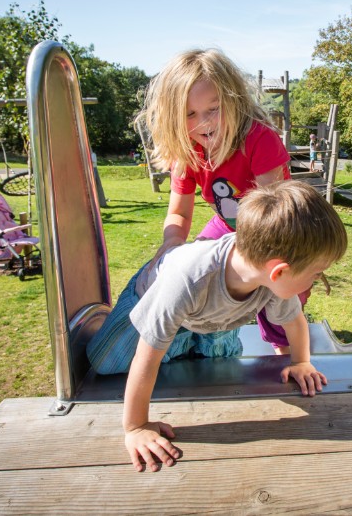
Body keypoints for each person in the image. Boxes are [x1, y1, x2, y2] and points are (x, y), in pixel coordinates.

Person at [105, 180, 347, 472]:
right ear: (279, 271)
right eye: (316, 274)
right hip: (154, 296)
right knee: (107, 363)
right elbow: (147, 354)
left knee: (216, 367)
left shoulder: (269, 279)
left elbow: (294, 321)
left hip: (213, 318)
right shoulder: (187, 280)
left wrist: (301, 362)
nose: (315, 282)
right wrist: (136, 426)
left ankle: (185, 340)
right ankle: (121, 328)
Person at [135, 48, 315, 354]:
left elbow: (275, 210)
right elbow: (178, 212)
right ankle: (205, 337)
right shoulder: (188, 153)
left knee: (276, 293)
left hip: (279, 226)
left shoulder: (259, 139)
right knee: (200, 276)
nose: (203, 122)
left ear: (233, 103)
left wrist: (254, 265)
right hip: (227, 224)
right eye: (190, 114)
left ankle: (285, 354)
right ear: (174, 117)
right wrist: (173, 241)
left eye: (213, 109)